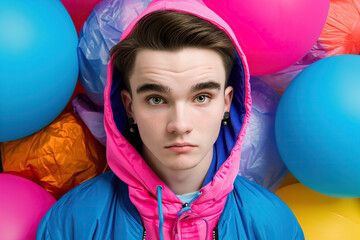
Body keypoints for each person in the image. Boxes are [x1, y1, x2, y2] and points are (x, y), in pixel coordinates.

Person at [37, 0, 304, 239]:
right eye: (156, 99)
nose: (179, 125)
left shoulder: (272, 224)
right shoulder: (73, 223)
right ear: (129, 107)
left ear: (226, 102)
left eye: (201, 98)